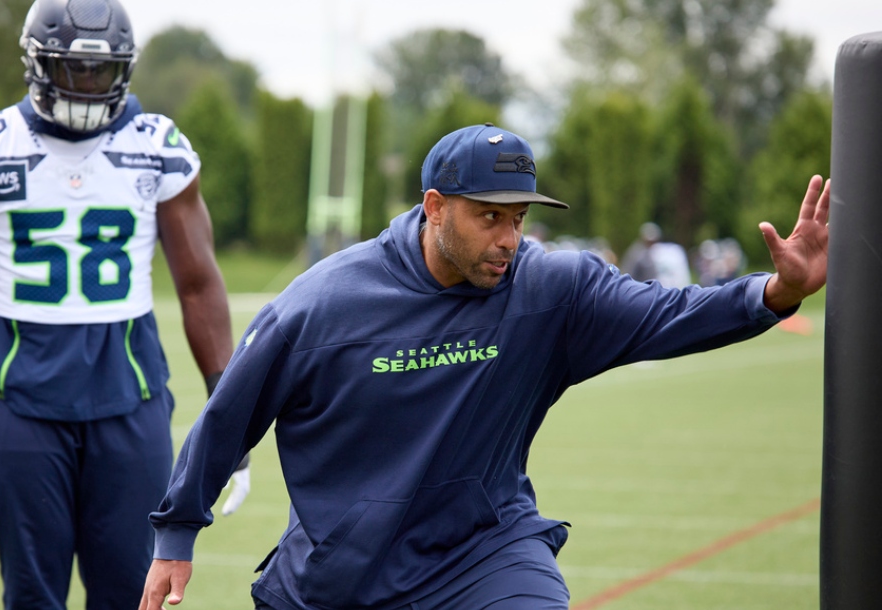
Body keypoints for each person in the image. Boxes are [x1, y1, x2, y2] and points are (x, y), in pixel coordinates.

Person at [140, 123, 829, 610]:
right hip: (343, 573)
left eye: (518, 218)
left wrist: (776, 293)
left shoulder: (551, 290)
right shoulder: (323, 305)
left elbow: (666, 314)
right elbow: (232, 410)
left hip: (485, 550)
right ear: (435, 207)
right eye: (488, 217)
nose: (508, 239)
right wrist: (178, 531)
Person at [0, 0, 247, 607]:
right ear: (36, 65)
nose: (87, 85)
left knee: (129, 588)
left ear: (126, 71)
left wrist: (228, 415)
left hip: (127, 385)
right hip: (20, 387)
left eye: (101, 72)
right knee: (33, 592)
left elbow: (198, 283)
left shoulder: (156, 143)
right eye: (71, 69)